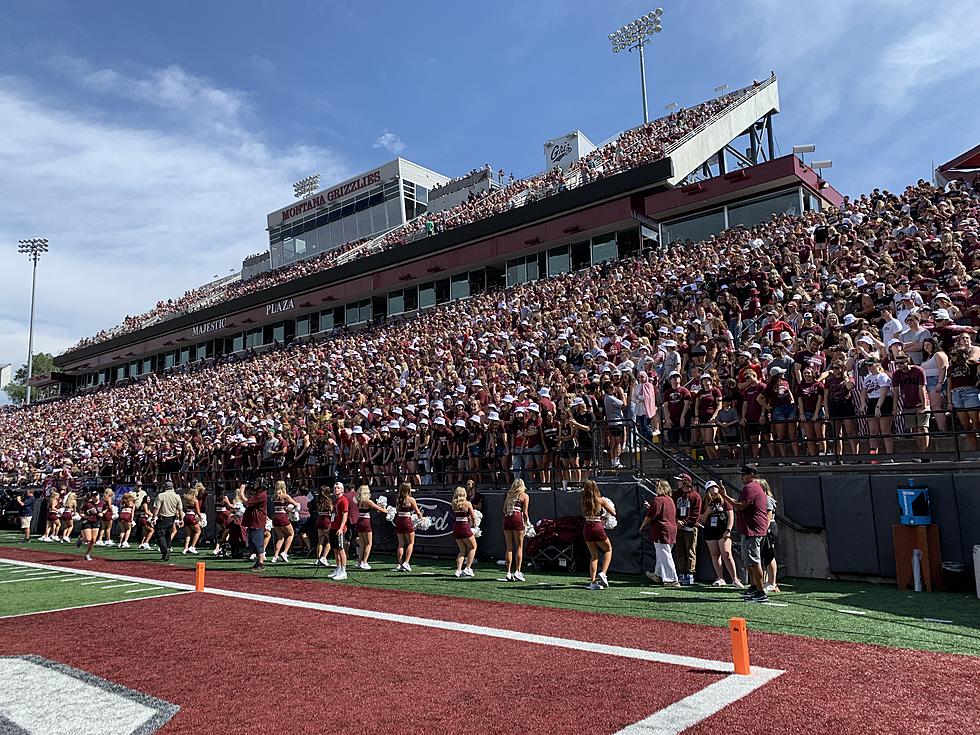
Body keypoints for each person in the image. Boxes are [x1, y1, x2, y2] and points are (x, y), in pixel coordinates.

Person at [720, 465, 770, 603]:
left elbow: (741, 505)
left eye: (744, 474)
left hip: (753, 530)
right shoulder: (751, 487)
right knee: (749, 562)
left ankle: (761, 592)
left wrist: (725, 497)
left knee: (754, 562)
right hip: (750, 529)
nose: (742, 476)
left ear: (752, 475)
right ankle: (754, 587)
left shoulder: (751, 487)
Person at [697, 481, 741, 587]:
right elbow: (701, 519)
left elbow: (731, 516)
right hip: (710, 530)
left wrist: (728, 530)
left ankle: (735, 578)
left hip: (723, 530)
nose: (713, 490)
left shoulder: (725, 500)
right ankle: (720, 578)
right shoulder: (705, 502)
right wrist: (707, 512)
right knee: (715, 555)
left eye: (715, 487)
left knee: (726, 553)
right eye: (711, 488)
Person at [639, 479, 679, 587]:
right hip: (671, 530)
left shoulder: (658, 499)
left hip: (661, 531)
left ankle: (672, 579)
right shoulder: (670, 499)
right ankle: (658, 575)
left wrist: (642, 526)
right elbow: (660, 511)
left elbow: (651, 516)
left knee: (665, 555)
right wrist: (650, 507)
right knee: (662, 554)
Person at [581, 479, 615, 590]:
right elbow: (613, 512)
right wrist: (604, 516)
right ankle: (603, 573)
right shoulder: (600, 501)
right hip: (597, 527)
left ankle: (593, 582)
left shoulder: (584, 500)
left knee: (594, 556)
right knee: (608, 549)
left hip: (587, 528)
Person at [671, 474, 701, 585]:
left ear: (685, 482)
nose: (678, 483)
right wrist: (677, 521)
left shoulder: (695, 496)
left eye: (679, 481)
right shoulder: (676, 494)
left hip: (690, 527)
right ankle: (681, 572)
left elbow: (696, 513)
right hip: (678, 527)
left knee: (690, 550)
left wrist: (684, 522)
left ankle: (690, 573)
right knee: (680, 550)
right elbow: (673, 509)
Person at [502, 478, 530, 582]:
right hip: (517, 518)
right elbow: (525, 512)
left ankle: (508, 572)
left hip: (507, 519)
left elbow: (504, 509)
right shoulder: (524, 496)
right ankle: (517, 571)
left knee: (509, 547)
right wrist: (527, 523)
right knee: (519, 547)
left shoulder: (509, 495)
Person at [354, 484, 387, 570]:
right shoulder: (368, 501)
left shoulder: (359, 501)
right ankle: (364, 562)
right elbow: (378, 509)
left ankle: (359, 562)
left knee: (362, 544)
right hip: (365, 522)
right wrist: (387, 511)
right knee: (369, 544)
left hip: (359, 521)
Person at [394, 482, 422, 572]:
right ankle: (406, 562)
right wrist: (422, 519)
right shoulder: (411, 499)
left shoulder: (398, 499)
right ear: (408, 489)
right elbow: (418, 512)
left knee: (401, 543)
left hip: (399, 520)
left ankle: (400, 564)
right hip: (407, 520)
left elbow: (397, 510)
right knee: (411, 542)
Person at [450, 485, 477, 578]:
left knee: (462, 550)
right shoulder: (467, 503)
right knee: (473, 547)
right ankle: (468, 568)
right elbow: (473, 517)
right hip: (464, 526)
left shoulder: (453, 503)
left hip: (456, 526)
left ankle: (458, 570)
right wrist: (475, 525)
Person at [153, 481, 183, 562]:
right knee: (167, 535)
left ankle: (165, 549)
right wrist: (181, 519)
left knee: (159, 534)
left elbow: (156, 508)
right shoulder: (177, 496)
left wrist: (153, 517)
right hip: (172, 518)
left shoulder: (161, 495)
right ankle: (168, 548)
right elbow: (180, 509)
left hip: (163, 517)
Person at [269, 480, 298, 563]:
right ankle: (285, 552)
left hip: (275, 517)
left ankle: (275, 556)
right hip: (282, 516)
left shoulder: (274, 496)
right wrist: (290, 508)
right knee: (291, 534)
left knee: (281, 537)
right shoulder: (285, 496)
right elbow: (296, 504)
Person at [242, 480, 268, 570]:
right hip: (253, 520)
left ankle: (261, 563)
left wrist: (241, 492)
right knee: (253, 541)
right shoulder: (257, 493)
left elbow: (248, 502)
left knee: (257, 542)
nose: (255, 484)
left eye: (257, 483)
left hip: (258, 521)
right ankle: (258, 562)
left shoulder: (261, 494)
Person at [759, 478, 779, 593]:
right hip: (764, 528)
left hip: (769, 527)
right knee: (764, 555)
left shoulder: (767, 499)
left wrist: (764, 529)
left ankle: (772, 582)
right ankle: (767, 581)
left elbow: (768, 516)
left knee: (770, 554)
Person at [328, 482, 349, 580]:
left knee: (341, 549)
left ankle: (343, 571)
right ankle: (338, 568)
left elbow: (345, 515)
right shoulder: (336, 501)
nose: (336, 489)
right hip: (333, 527)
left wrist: (341, 528)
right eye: (335, 487)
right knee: (335, 549)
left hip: (339, 528)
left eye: (338, 488)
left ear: (342, 489)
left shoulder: (344, 500)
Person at [77, 489, 104, 561]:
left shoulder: (102, 503)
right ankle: (81, 538)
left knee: (93, 540)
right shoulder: (88, 504)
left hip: (96, 522)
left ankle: (87, 554)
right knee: (88, 539)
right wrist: (86, 517)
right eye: (94, 496)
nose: (96, 497)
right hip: (88, 521)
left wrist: (102, 513)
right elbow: (81, 512)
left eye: (97, 495)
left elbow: (105, 509)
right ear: (92, 497)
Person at [314, 486, 334, 567]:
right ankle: (324, 557)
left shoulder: (318, 500)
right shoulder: (329, 501)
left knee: (320, 540)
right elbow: (332, 511)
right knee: (329, 541)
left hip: (319, 520)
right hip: (326, 521)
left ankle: (318, 559)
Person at [181, 486, 202, 555]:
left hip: (186, 516)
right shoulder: (195, 500)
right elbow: (198, 511)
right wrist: (201, 518)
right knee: (198, 531)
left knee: (188, 534)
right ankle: (192, 547)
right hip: (191, 517)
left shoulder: (186, 500)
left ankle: (185, 548)